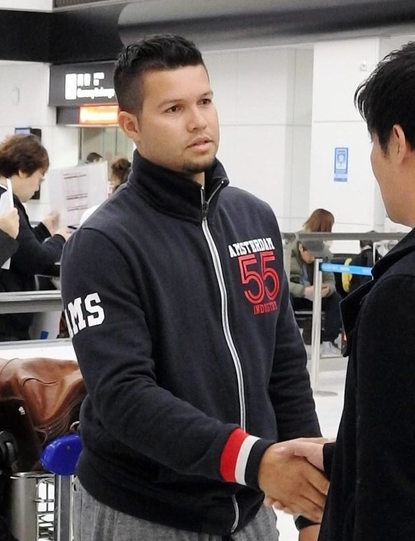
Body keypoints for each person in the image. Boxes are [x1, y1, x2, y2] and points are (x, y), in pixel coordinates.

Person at [61, 34, 329, 541]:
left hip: (250, 510)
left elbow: (283, 367)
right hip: (146, 514)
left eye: (205, 101)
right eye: (174, 108)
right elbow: (124, 398)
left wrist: (312, 509)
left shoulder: (253, 218)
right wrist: (255, 460)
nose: (198, 121)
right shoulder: (102, 243)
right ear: (131, 126)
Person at [271, 41, 415, 541]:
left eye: (373, 143)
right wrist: (343, 456)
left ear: (397, 141)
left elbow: (390, 494)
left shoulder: (401, 292)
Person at [0, 134, 72, 341]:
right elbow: (35, 259)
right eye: (39, 179)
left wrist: (43, 231)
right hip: (6, 325)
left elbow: (19, 249)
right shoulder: (6, 203)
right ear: (23, 171)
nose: (38, 187)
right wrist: (60, 239)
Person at [289, 238, 341, 356]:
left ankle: (329, 341)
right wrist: (303, 290)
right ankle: (290, 341)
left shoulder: (322, 256)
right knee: (286, 301)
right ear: (301, 248)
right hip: (297, 294)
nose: (313, 258)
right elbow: (283, 283)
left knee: (335, 299)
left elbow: (330, 280)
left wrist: (328, 289)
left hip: (316, 294)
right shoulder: (287, 256)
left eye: (315, 255)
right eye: (310, 255)